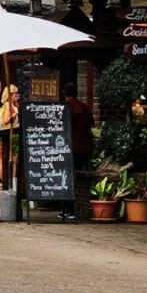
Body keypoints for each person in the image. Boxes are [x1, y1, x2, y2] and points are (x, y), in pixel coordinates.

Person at [60, 82, 94, 220]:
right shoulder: (85, 108)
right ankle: (77, 208)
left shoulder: (63, 108)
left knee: (65, 179)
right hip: (82, 148)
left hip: (66, 149)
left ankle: (67, 209)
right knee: (78, 180)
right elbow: (92, 124)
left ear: (64, 93)